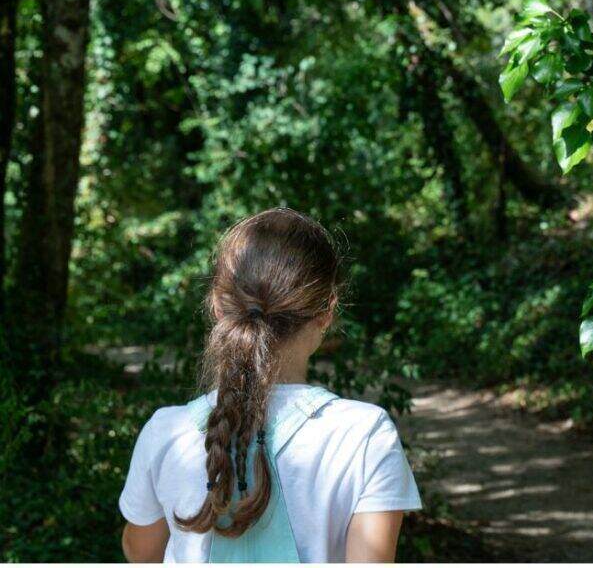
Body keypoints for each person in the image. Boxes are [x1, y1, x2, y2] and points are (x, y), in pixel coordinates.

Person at [119, 208, 421, 562]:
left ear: (217, 304)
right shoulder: (365, 435)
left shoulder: (166, 432)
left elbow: (141, 553)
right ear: (328, 310)